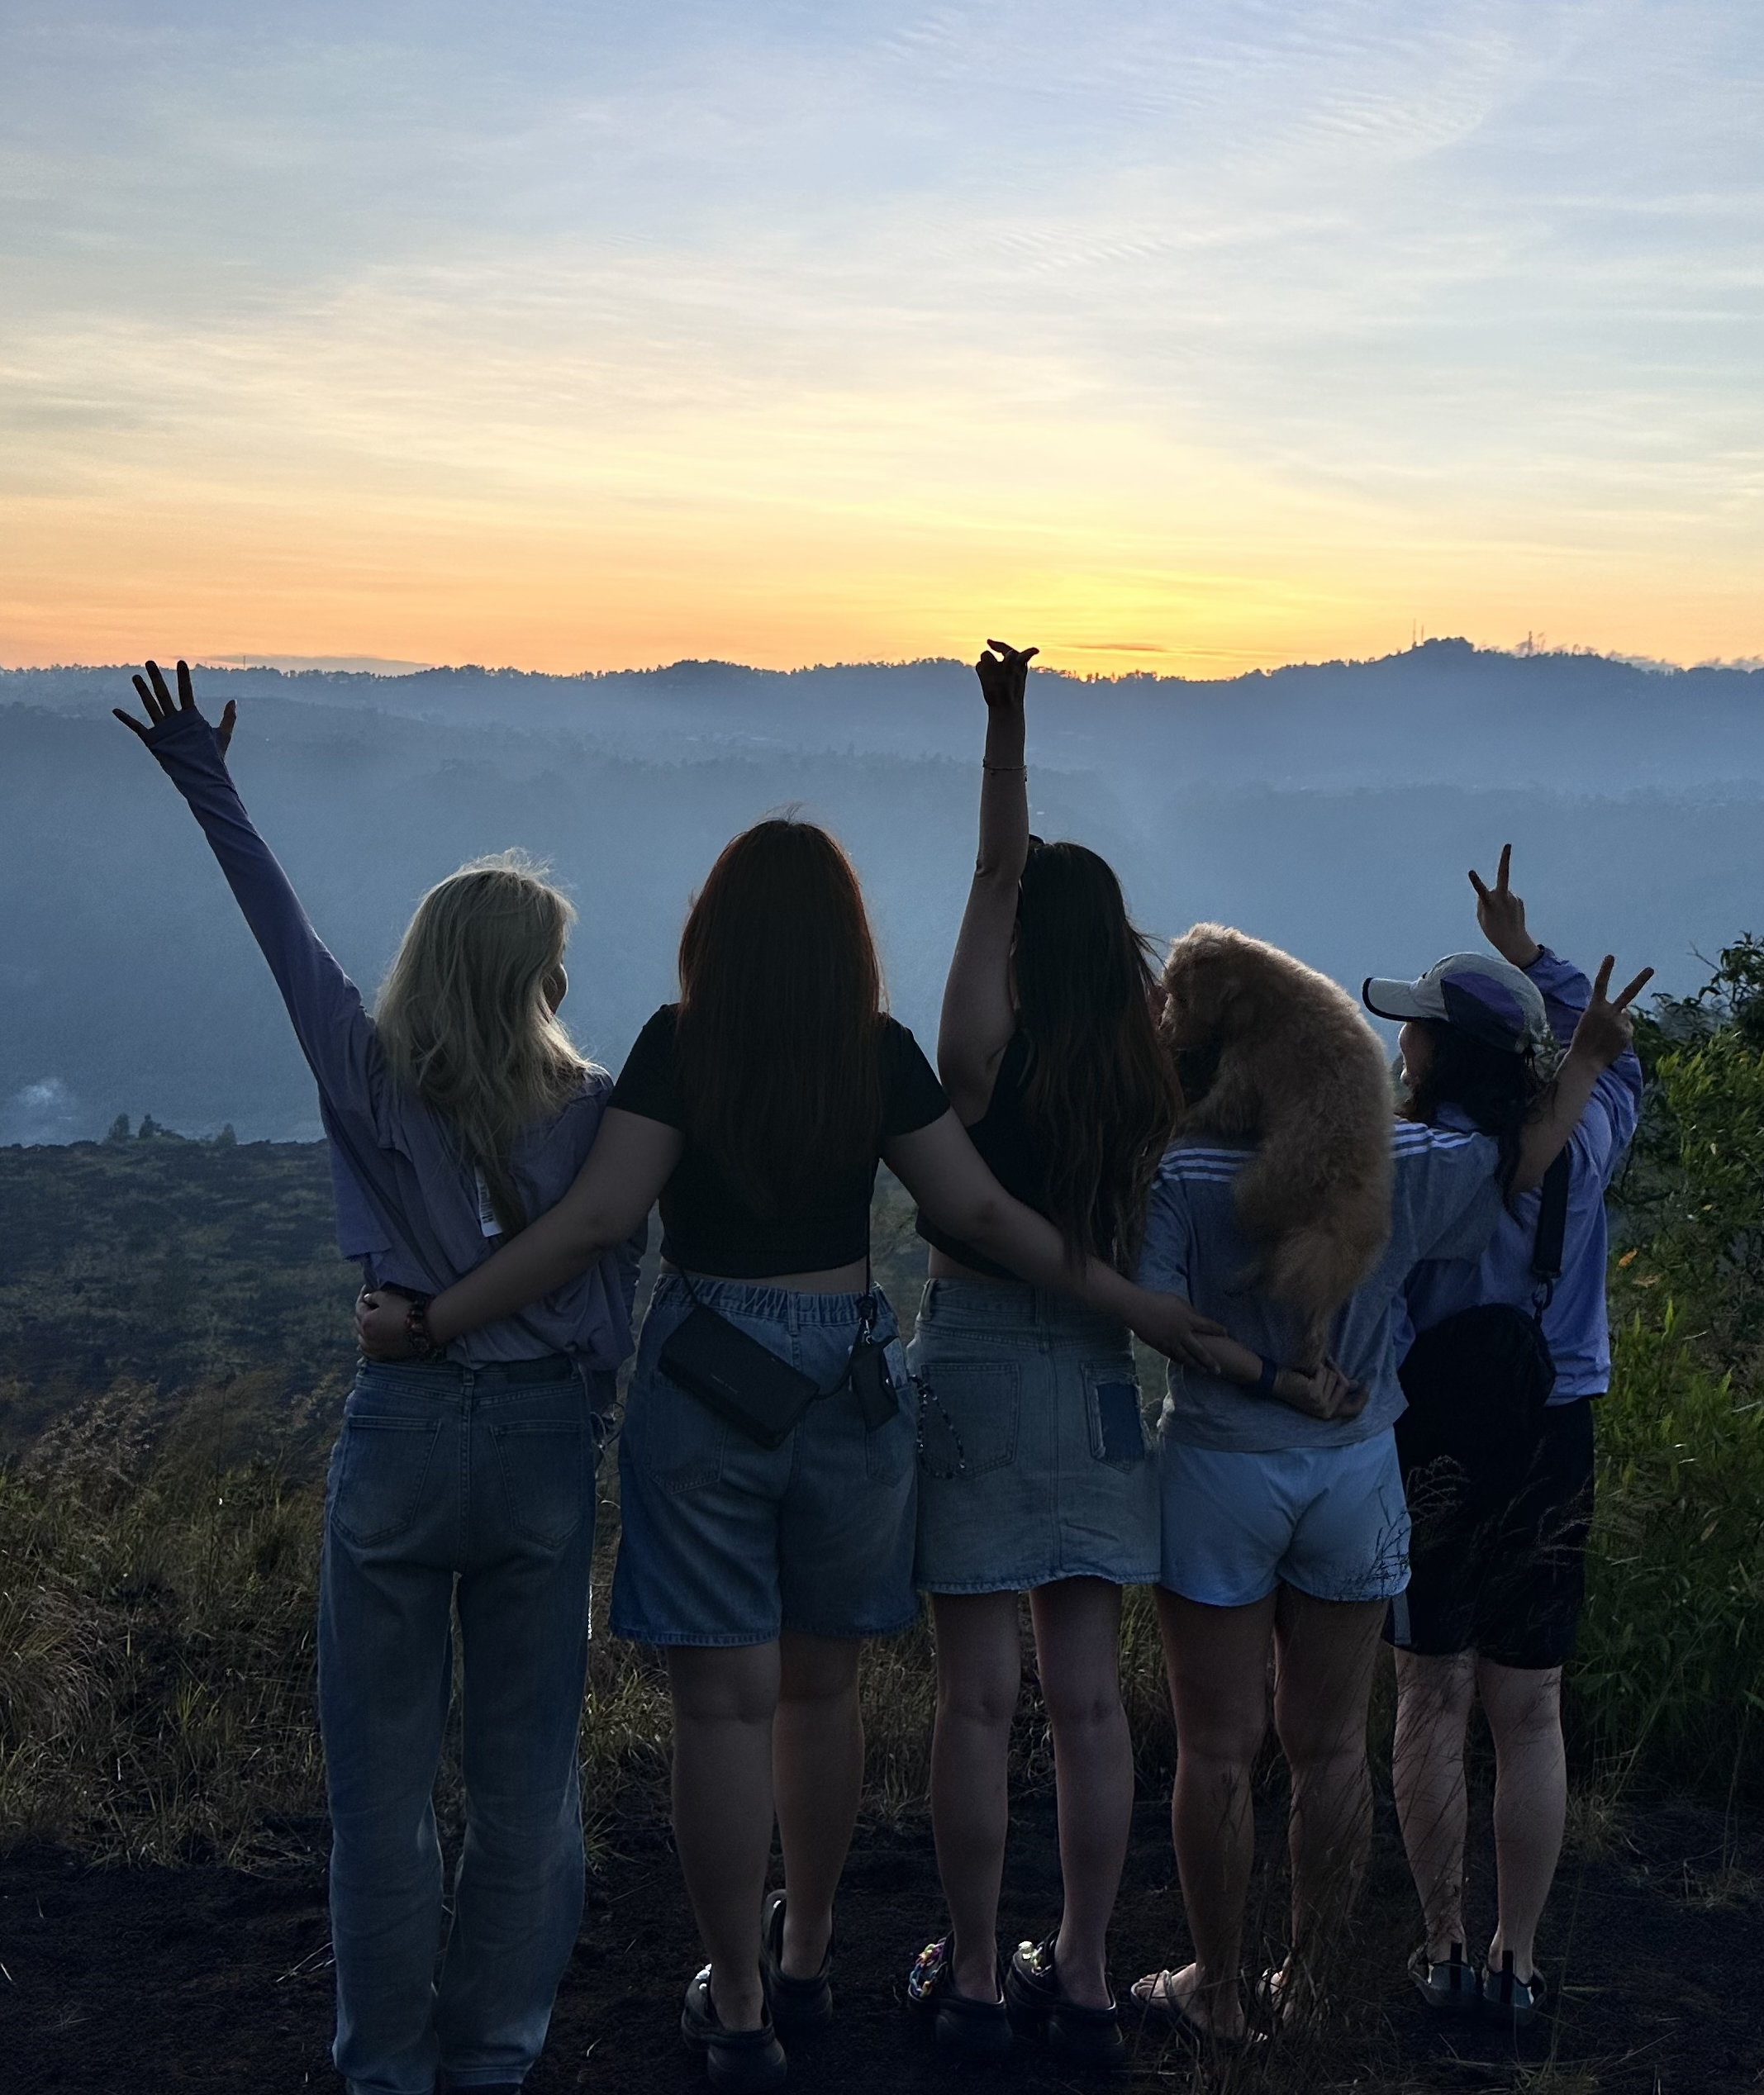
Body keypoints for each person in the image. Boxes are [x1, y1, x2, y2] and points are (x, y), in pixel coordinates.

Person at [354, 810, 1237, 2093]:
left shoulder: (681, 1043)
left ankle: (741, 2002)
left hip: (707, 1375)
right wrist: (1139, 1306)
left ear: (716, 931)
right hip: (851, 1385)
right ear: (846, 941)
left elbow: (599, 1219)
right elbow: (980, 1211)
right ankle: (810, 1949)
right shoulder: (875, 1051)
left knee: (722, 1708)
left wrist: (440, 1319)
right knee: (821, 1695)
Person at [114, 660, 643, 2095]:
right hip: (539, 1448)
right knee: (526, 1788)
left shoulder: (363, 1070)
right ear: (534, 976)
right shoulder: (600, 1115)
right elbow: (607, 1291)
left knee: (381, 1794)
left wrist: (204, 776)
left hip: (399, 1434)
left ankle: (388, 2072)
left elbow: (278, 929)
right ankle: (493, 2058)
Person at [1129, 924, 1647, 2048]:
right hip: (1418, 1460)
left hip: (1251, 1466)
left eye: (1414, 1031)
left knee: (1246, 1743)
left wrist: (1268, 1374)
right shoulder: (1424, 1163)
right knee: (1374, 1740)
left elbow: (1156, 1313)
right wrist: (1560, 1009)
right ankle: (1371, 1977)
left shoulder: (1187, 1171)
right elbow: (1531, 1151)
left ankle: (1238, 1986)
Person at [903, 640, 1194, 2064]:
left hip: (974, 1358)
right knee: (1086, 1703)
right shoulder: (1142, 1076)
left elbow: (990, 873)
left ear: (1025, 941)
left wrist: (1006, 731)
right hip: (1096, 1375)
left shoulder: (978, 1053)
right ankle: (1082, 1973)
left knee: (976, 1700)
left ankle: (969, 1972)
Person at [1378, 849, 1646, 2025]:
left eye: (1417, 1030)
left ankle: (1441, 1948)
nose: (1402, 1042)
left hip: (1434, 1437)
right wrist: (1528, 953)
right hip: (1552, 1430)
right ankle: (1518, 1963)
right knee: (1529, 1707)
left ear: (1444, 1056)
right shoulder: (1588, 1140)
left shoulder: (1417, 1167)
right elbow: (1612, 1050)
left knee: (1431, 1693)